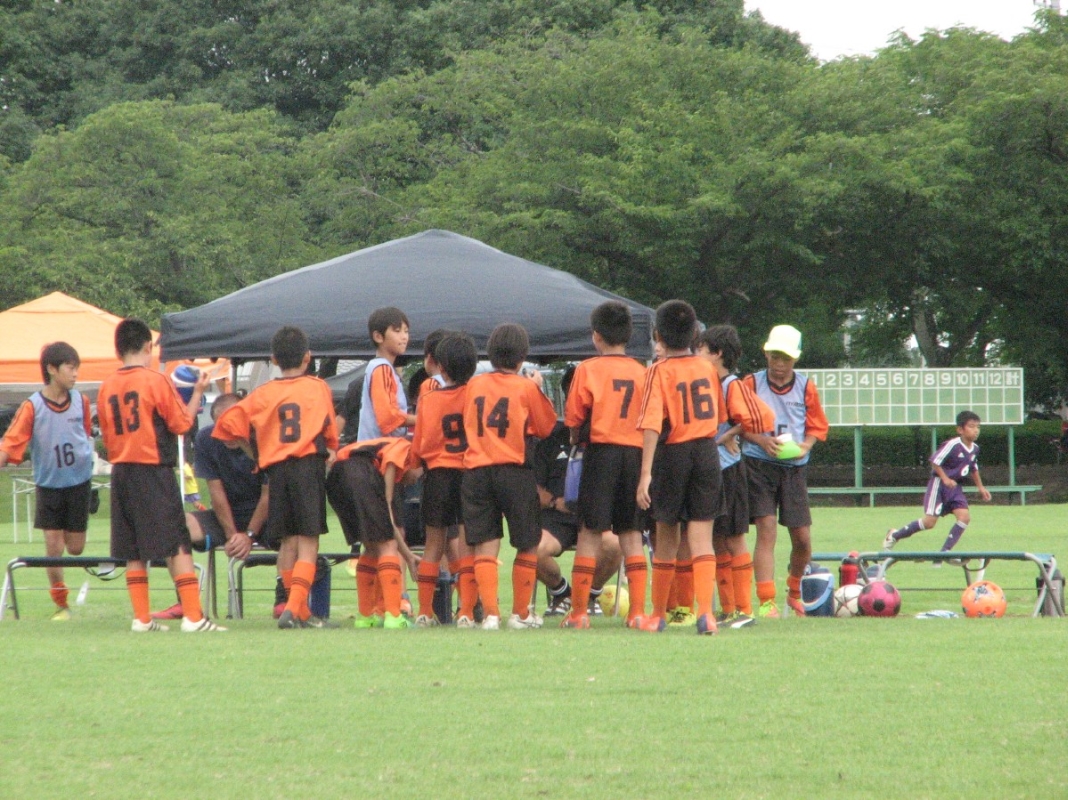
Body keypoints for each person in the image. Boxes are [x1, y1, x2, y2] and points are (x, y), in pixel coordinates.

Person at [96, 319, 223, 632]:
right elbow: (181, 424)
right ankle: (193, 616)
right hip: (152, 470)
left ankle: (142, 617)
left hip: (121, 472)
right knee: (176, 540)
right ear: (147, 346)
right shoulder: (155, 380)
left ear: (117, 350)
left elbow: (107, 437)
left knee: (132, 548)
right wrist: (197, 392)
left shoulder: (107, 385)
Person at [213, 325, 339, 629]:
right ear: (307, 357)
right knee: (308, 541)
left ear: (273, 359)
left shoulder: (263, 393)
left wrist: (256, 453)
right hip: (307, 466)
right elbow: (330, 432)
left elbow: (227, 423)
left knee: (288, 540)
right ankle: (293, 610)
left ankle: (300, 612)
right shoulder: (317, 387)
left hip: (277, 472)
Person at [635, 300, 725, 634]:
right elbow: (718, 414)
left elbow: (651, 424)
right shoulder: (706, 368)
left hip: (672, 454)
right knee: (702, 536)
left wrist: (645, 473)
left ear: (657, 335)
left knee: (666, 535)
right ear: (694, 334)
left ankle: (658, 615)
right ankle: (706, 614)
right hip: (706, 452)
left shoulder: (657, 371)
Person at [462, 322, 558, 630]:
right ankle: (521, 614)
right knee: (527, 542)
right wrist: (537, 387)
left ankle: (491, 614)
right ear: (522, 356)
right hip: (513, 470)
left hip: (476, 470)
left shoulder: (474, 385)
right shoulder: (525, 387)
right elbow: (545, 426)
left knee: (485, 544)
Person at [561, 301, 648, 629]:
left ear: (596, 336)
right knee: (632, 534)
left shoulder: (587, 369)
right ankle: (637, 612)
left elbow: (574, 417)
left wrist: (576, 437)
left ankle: (579, 613)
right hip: (635, 455)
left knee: (589, 532)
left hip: (601, 453)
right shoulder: (642, 371)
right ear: (629, 335)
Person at [150, 392, 271, 620]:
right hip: (226, 517)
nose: (228, 432)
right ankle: (186, 602)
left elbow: (269, 494)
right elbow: (216, 492)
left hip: (265, 518)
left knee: (294, 527)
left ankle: (285, 600)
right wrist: (232, 535)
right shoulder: (206, 439)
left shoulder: (263, 439)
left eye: (233, 424)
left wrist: (249, 535)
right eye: (222, 426)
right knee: (173, 525)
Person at [0, 342, 94, 621]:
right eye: (70, 368)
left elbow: (86, 433)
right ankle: (61, 603)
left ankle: (74, 527)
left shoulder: (81, 402)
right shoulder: (33, 406)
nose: (75, 374)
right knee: (53, 546)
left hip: (78, 483)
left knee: (75, 548)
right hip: (49, 485)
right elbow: (11, 441)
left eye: (77, 368)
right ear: (52, 369)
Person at [740, 324, 829, 619]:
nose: (779, 364)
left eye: (786, 358)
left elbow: (817, 425)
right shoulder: (751, 384)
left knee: (802, 538)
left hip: (793, 469)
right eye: (775, 356)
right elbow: (738, 425)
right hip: (758, 465)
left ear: (796, 359)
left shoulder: (805, 386)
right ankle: (767, 601)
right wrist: (761, 440)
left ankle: (794, 592)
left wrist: (805, 446)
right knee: (766, 530)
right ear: (766, 354)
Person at [695, 325, 776, 629]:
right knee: (717, 539)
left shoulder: (731, 384)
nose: (696, 354)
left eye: (701, 349)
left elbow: (759, 418)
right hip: (710, 470)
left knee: (735, 538)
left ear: (717, 353)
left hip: (729, 470)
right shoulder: (706, 383)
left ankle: (744, 609)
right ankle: (728, 608)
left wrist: (727, 435)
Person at [534, 367, 623, 621]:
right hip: (558, 517)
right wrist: (555, 502)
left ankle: (590, 595)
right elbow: (533, 487)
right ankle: (561, 592)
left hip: (597, 515)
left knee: (616, 545)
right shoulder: (551, 439)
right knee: (532, 548)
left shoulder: (608, 440)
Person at [408, 332, 480, 627]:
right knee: (467, 545)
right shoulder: (475, 396)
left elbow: (419, 445)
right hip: (468, 473)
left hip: (437, 474)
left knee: (433, 545)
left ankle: (425, 611)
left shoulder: (428, 399)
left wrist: (415, 465)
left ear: (441, 367)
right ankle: (466, 612)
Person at [327, 436, 422, 629]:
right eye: (419, 474)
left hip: (336, 479)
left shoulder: (378, 449)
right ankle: (394, 616)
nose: (414, 481)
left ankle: (365, 616)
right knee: (387, 544)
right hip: (360, 474)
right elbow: (388, 511)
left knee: (371, 546)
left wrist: (408, 555)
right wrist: (406, 554)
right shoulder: (404, 448)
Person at [883, 410, 991, 555]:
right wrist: (945, 479)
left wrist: (981, 487)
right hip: (939, 485)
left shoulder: (975, 448)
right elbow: (935, 461)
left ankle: (945, 552)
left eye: (978, 427)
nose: (976, 430)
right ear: (960, 429)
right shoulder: (952, 445)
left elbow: (973, 467)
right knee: (929, 522)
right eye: (971, 426)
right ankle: (894, 535)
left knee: (964, 517)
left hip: (955, 488)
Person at [358, 306, 417, 441]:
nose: (404, 337)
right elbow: (388, 418)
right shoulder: (382, 368)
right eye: (397, 331)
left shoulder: (380, 367)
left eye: (406, 331)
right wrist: (424, 419)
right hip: (379, 449)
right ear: (378, 337)